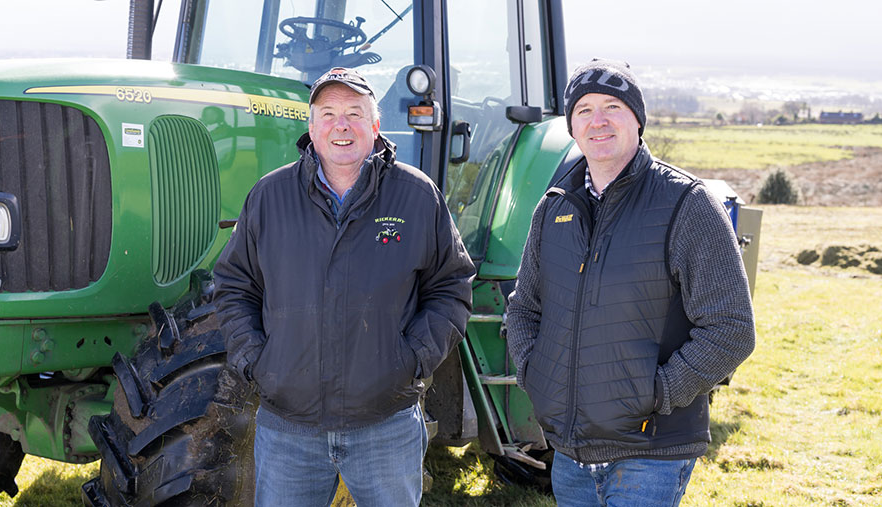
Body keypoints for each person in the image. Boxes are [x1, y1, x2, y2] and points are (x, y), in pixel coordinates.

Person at [213, 67, 474, 506]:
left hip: (384, 424)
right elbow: (235, 285)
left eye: (355, 113)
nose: (342, 125)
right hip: (288, 429)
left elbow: (451, 285)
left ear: (374, 126)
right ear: (311, 128)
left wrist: (411, 359)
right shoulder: (269, 197)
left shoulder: (416, 195)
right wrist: (259, 362)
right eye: (329, 113)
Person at [506, 59, 756, 506]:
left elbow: (731, 329)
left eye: (612, 107)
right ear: (572, 126)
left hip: (650, 453)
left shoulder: (687, 203)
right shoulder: (553, 207)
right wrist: (535, 374)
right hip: (570, 453)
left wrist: (655, 393)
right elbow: (524, 307)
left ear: (637, 120)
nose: (597, 121)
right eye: (583, 110)